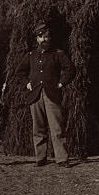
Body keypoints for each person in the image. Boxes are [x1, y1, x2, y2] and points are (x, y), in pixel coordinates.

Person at [15, 22, 76, 167]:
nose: (44, 40)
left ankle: (62, 159)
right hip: (35, 95)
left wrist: (61, 83)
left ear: (50, 38)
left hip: (52, 95)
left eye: (47, 37)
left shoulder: (58, 54)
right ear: (37, 39)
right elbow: (20, 72)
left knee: (57, 128)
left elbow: (70, 70)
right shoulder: (31, 55)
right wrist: (27, 84)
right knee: (38, 128)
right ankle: (40, 158)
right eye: (41, 37)